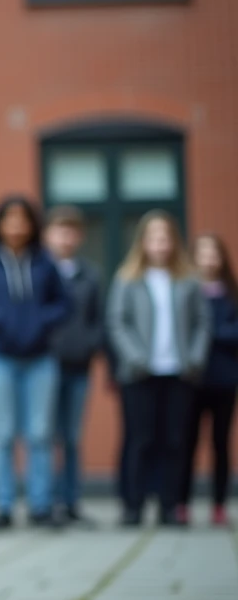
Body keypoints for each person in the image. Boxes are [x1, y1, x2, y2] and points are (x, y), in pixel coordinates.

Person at [0, 196, 69, 530]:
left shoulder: (44, 262)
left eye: (23, 219)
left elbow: (63, 304)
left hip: (40, 358)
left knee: (40, 434)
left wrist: (39, 320)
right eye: (9, 219)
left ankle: (40, 505)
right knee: (4, 434)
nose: (17, 226)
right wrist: (0, 319)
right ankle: (4, 506)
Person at [106, 210, 209, 527]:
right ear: (143, 242)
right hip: (139, 373)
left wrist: (193, 358)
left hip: (178, 371)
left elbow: (202, 323)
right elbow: (117, 322)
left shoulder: (188, 281)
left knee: (174, 440)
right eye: (153, 238)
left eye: (165, 238)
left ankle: (169, 505)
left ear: (174, 242)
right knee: (140, 439)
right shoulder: (128, 279)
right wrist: (135, 357)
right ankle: (133, 505)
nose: (160, 244)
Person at [43, 206, 104, 526]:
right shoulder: (40, 272)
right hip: (44, 364)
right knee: (45, 435)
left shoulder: (89, 274)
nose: (65, 238)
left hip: (79, 365)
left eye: (71, 231)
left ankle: (71, 501)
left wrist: (89, 346)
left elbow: (98, 319)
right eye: (58, 231)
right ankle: (47, 501)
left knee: (71, 436)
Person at [180, 233, 238, 527]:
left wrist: (206, 332)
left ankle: (218, 504)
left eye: (213, 254)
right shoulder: (186, 291)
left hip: (225, 380)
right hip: (191, 379)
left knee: (220, 443)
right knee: (186, 442)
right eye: (202, 254)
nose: (208, 260)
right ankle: (182, 503)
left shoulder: (231, 293)